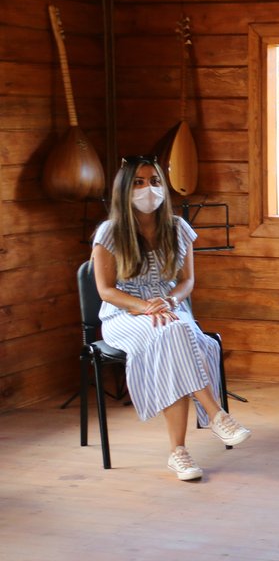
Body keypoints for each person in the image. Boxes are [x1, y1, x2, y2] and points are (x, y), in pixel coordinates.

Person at [91, 156, 251, 481]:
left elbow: (187, 282)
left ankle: (179, 453)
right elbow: (106, 291)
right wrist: (144, 306)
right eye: (138, 182)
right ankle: (215, 414)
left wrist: (168, 300)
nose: (147, 189)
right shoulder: (109, 232)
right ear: (124, 189)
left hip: (170, 308)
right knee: (174, 332)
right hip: (124, 314)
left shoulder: (178, 227)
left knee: (173, 334)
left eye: (153, 181)